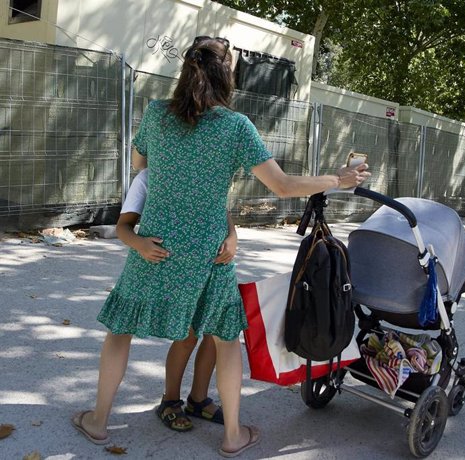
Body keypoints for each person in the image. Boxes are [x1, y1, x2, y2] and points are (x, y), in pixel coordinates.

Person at [71, 36, 370, 457]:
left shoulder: (156, 114)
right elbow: (283, 185)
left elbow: (142, 166)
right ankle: (232, 436)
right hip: (210, 250)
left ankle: (98, 422)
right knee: (226, 339)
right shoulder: (236, 128)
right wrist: (336, 181)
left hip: (154, 243)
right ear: (226, 73)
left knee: (121, 331)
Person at [116, 168, 226, 432]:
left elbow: (224, 213)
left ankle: (198, 400)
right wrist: (140, 244)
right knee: (187, 336)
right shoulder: (147, 177)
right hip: (175, 270)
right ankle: (170, 401)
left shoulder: (207, 172)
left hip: (212, 266)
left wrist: (231, 238)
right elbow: (123, 227)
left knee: (215, 334)